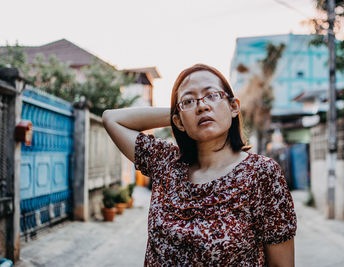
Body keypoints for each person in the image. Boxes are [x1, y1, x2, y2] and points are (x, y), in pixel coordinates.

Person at [102, 64, 297, 266]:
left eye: (212, 95)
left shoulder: (261, 173)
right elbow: (112, 118)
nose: (202, 106)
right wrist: (180, 115)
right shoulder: (166, 163)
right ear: (176, 121)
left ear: (233, 107)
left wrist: (187, 109)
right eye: (189, 100)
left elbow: (281, 264)